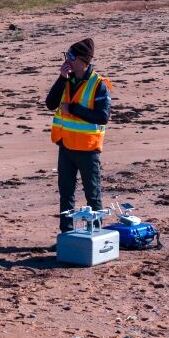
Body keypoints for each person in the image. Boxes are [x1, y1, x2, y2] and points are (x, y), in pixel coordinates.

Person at [46, 38, 112, 234]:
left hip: (87, 150)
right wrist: (61, 78)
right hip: (66, 147)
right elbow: (50, 103)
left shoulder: (98, 84)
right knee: (66, 195)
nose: (68, 60)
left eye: (71, 57)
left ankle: (98, 236)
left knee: (92, 194)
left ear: (83, 60)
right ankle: (66, 236)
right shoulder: (66, 79)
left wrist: (73, 108)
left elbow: (102, 116)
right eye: (67, 55)